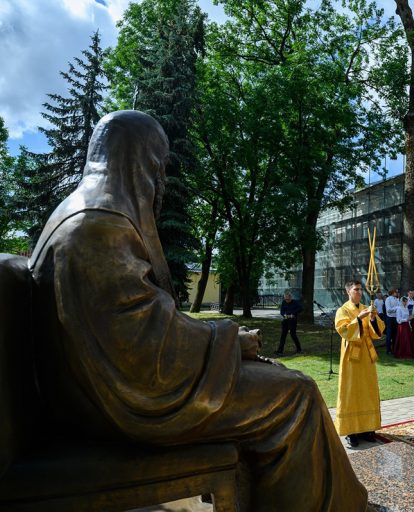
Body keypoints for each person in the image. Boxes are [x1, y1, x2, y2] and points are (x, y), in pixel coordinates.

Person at [29, 111, 367, 511]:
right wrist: (230, 340)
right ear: (141, 160)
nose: (162, 181)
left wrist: (224, 342)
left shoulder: (86, 213)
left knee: (274, 377)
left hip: (91, 395)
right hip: (115, 406)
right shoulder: (99, 225)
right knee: (297, 395)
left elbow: (143, 319)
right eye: (161, 165)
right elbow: (142, 349)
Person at [334, 280, 385, 448]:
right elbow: (343, 331)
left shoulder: (366, 307)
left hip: (366, 356)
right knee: (351, 392)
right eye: (356, 289)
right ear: (348, 291)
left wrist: (371, 318)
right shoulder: (343, 310)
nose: (359, 292)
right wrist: (359, 318)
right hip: (351, 357)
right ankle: (351, 432)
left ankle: (367, 429)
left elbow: (378, 331)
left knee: (367, 391)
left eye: (360, 289)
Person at [276, 289, 303, 355]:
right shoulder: (284, 302)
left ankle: (299, 349)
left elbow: (301, 308)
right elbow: (281, 311)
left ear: (291, 297)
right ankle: (280, 351)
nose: (287, 300)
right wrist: (284, 315)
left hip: (292, 320)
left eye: (288, 299)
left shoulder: (295, 302)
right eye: (286, 299)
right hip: (285, 320)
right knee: (283, 335)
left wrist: (293, 314)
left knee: (293, 334)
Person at [384, 288, 400, 354]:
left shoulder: (397, 299)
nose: (397, 293)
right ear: (393, 292)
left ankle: (394, 348)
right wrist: (397, 308)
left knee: (395, 334)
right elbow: (388, 310)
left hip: (395, 318)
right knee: (389, 334)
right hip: (390, 318)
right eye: (396, 292)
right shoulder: (388, 299)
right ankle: (388, 350)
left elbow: (399, 307)